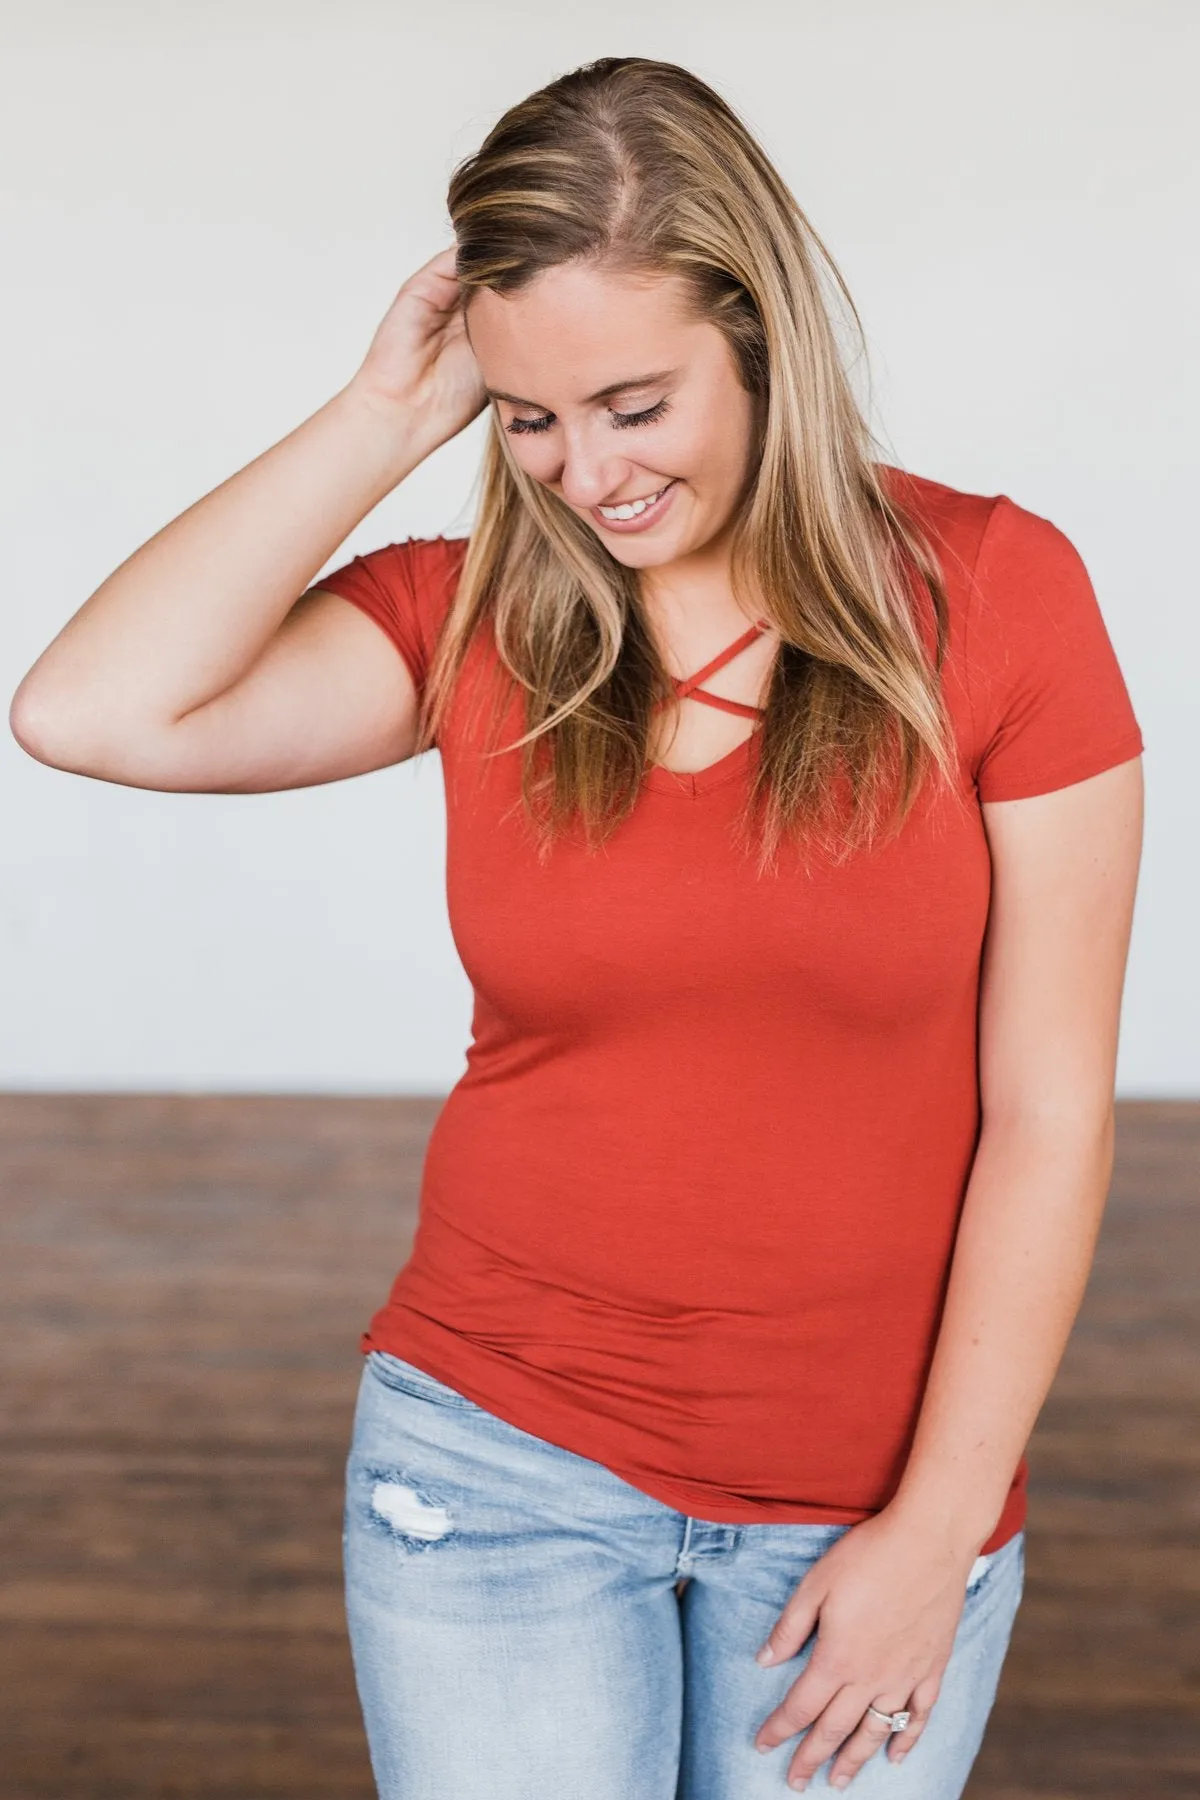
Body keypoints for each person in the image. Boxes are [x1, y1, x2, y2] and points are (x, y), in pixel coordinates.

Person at [10, 54, 1144, 1800]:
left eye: (634, 402)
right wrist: (387, 418)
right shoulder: (470, 616)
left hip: (864, 1495)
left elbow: (1051, 1116)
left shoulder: (997, 600)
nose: (583, 473)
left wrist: (933, 1535)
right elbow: (94, 713)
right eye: (528, 417)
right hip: (496, 1463)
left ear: (757, 334)